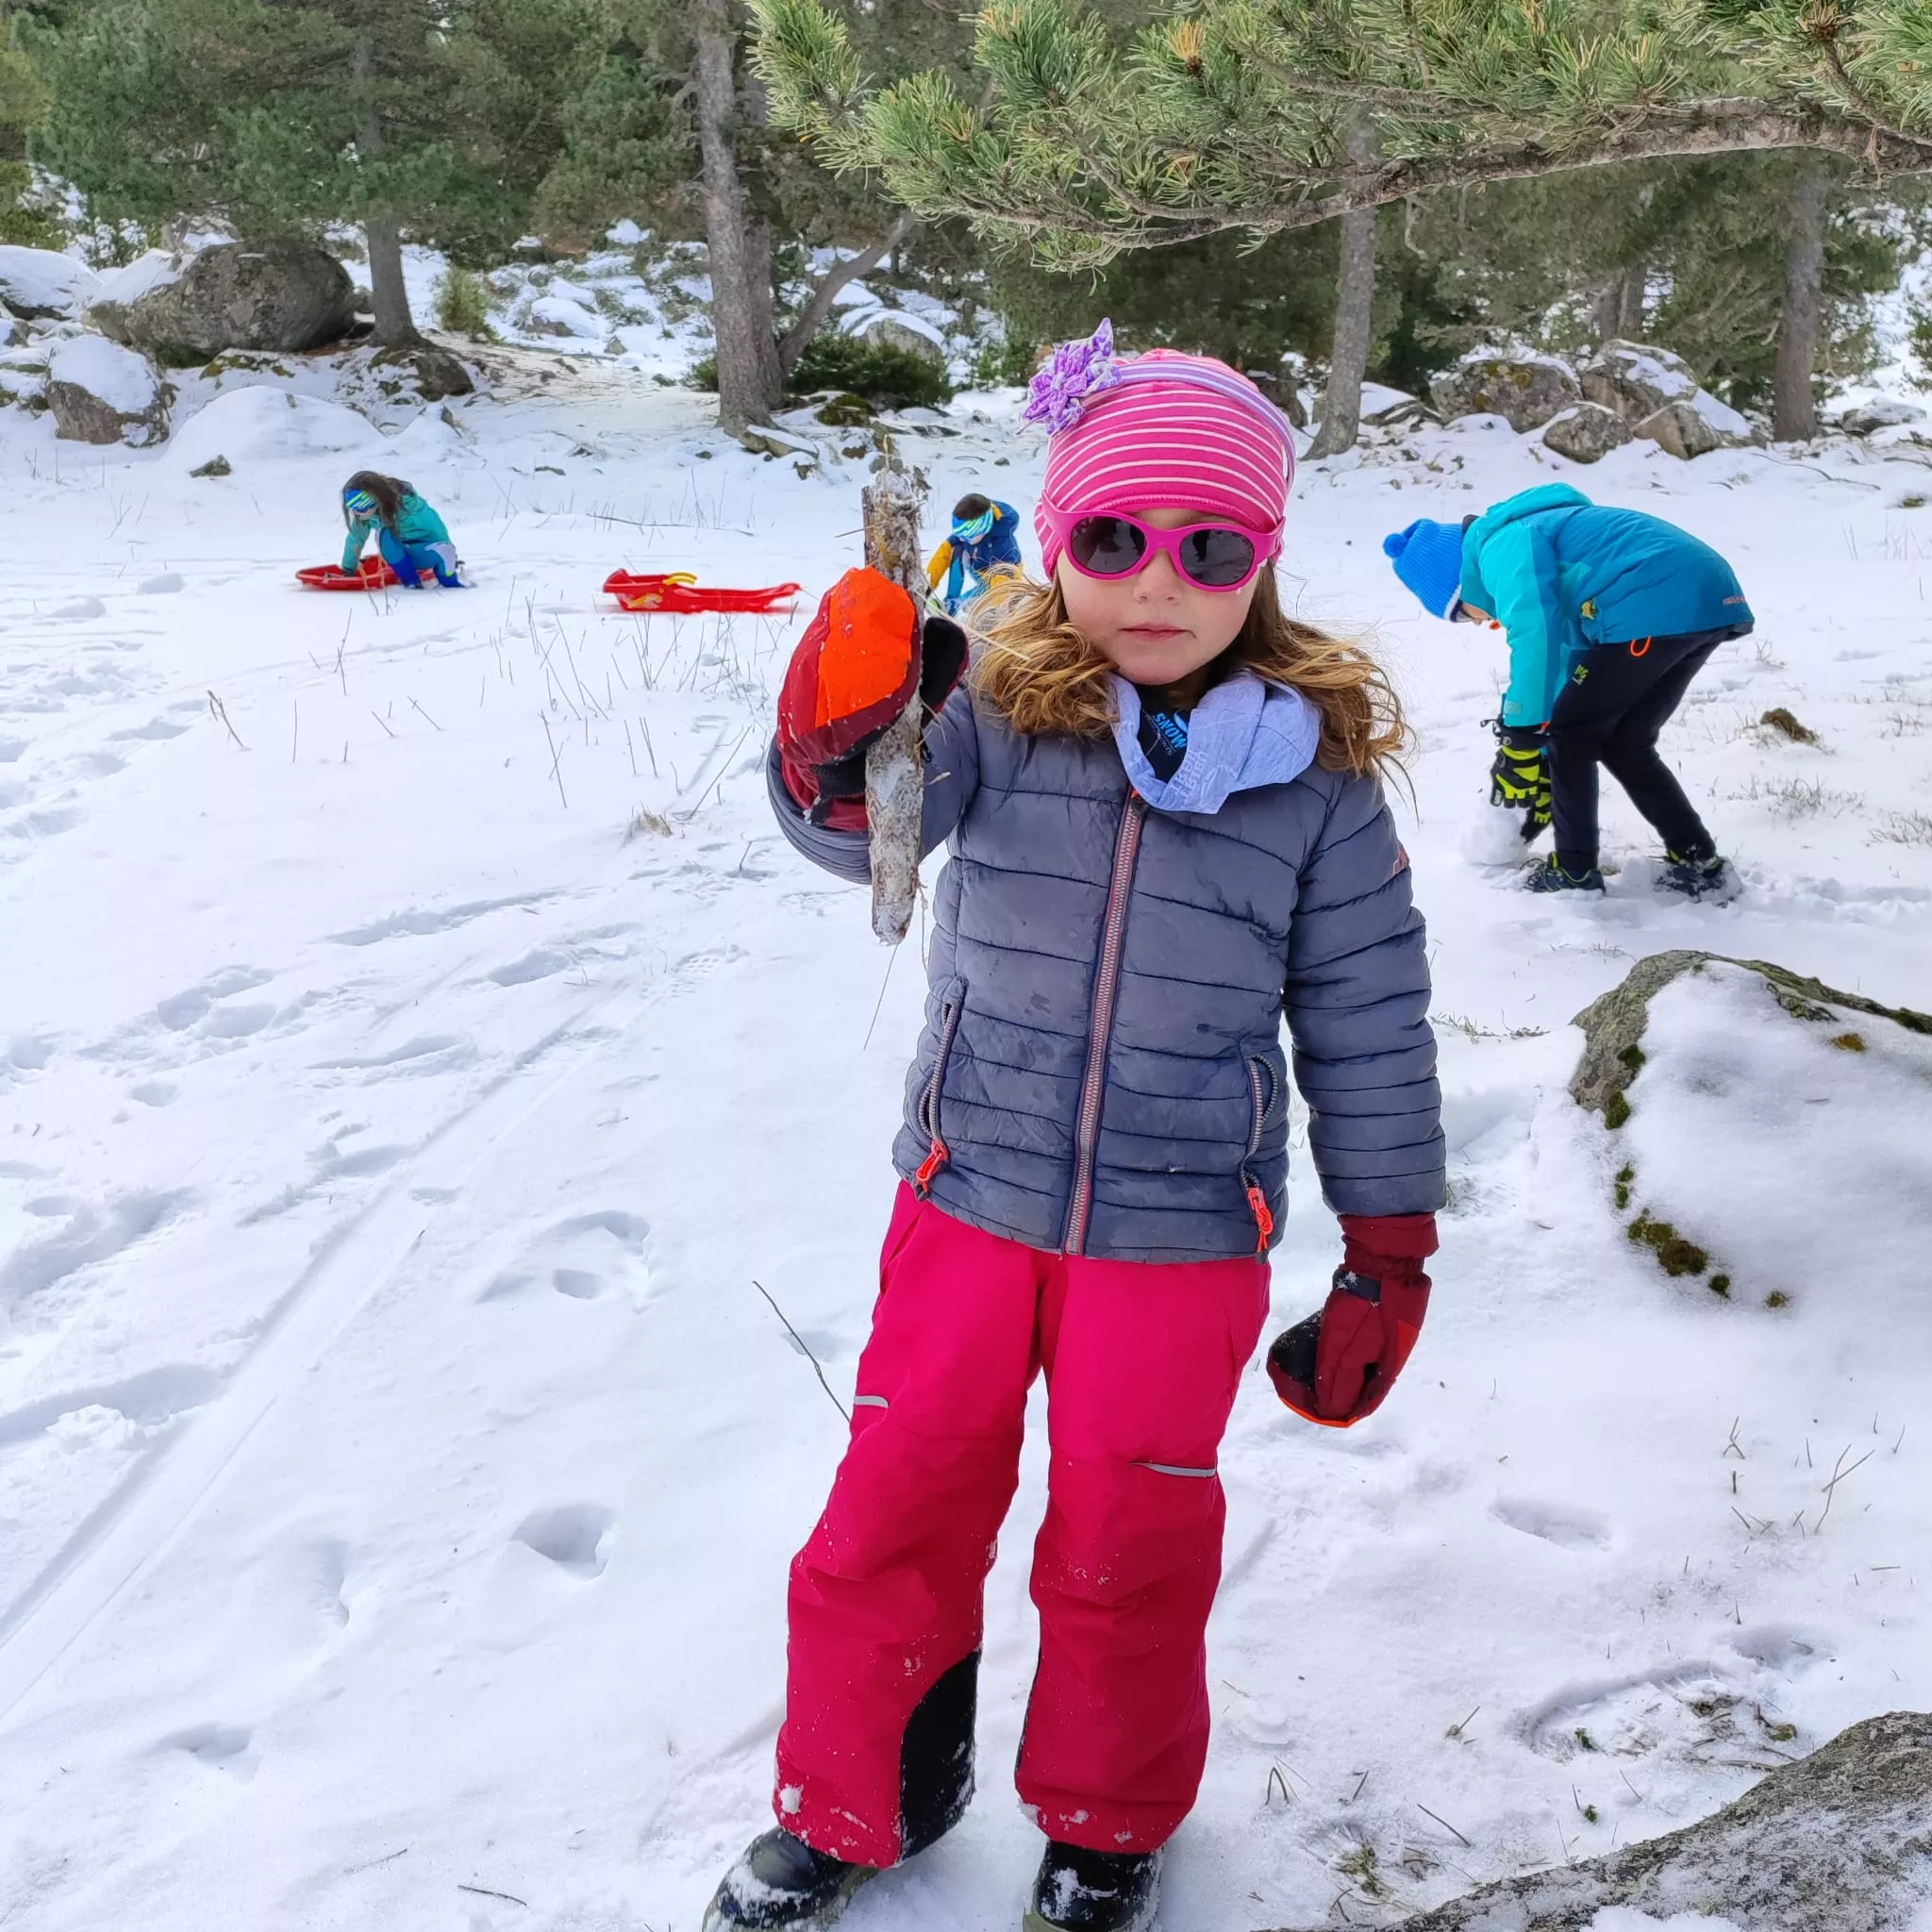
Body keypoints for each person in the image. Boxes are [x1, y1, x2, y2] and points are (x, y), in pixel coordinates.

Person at [704, 325, 1446, 1932]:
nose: (1156, 581)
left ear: (1261, 556)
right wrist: (832, 739)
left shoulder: (1314, 782)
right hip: (967, 1198)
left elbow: (1369, 1024)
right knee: (895, 1499)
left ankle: (1106, 1819)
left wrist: (1386, 1246)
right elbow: (862, 833)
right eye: (1110, 539)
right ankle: (852, 1796)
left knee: (1129, 1530)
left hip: (1178, 1238)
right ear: (1057, 548)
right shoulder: (992, 706)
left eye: (1208, 545)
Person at [1384, 483, 1753, 898]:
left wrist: (1523, 738)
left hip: (1652, 601)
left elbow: (1534, 634)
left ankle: (1574, 873)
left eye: (1462, 613)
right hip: (1703, 598)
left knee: (1571, 736)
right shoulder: (1538, 530)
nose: (1477, 620)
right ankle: (1698, 862)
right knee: (1627, 743)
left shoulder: (1500, 545)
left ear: (1458, 583)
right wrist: (1530, 736)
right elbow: (1565, 659)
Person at [340, 471, 462, 587]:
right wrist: (348, 569)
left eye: (359, 506)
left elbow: (435, 528)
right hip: (403, 555)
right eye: (351, 507)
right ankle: (411, 582)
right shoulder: (367, 516)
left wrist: (450, 557)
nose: (355, 512)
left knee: (444, 553)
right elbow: (355, 539)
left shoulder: (412, 509)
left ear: (375, 500)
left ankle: (451, 584)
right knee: (383, 534)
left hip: (427, 550)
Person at [925, 491, 1024, 615]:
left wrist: (995, 611)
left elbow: (1003, 586)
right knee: (956, 548)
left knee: (980, 601)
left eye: (966, 534)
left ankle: (963, 607)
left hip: (1003, 578)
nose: (961, 538)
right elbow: (943, 553)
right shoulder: (969, 533)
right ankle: (952, 603)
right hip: (979, 568)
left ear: (983, 528)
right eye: (958, 533)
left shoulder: (1002, 546)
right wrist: (927, 584)